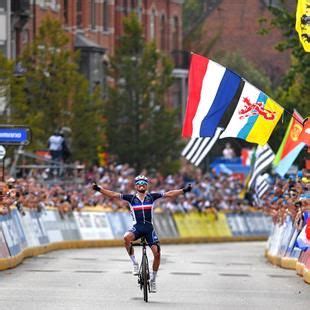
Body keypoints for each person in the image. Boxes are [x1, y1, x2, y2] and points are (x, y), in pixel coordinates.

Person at [92, 175, 192, 293]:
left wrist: (184, 190)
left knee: (158, 254)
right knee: (126, 238)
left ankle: (153, 280)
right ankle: (134, 263)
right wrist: (99, 189)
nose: (141, 185)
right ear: (135, 186)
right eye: (139, 183)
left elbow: (169, 194)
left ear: (147, 185)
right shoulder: (131, 198)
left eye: (144, 183)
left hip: (149, 229)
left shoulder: (152, 197)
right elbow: (113, 194)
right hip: (137, 228)